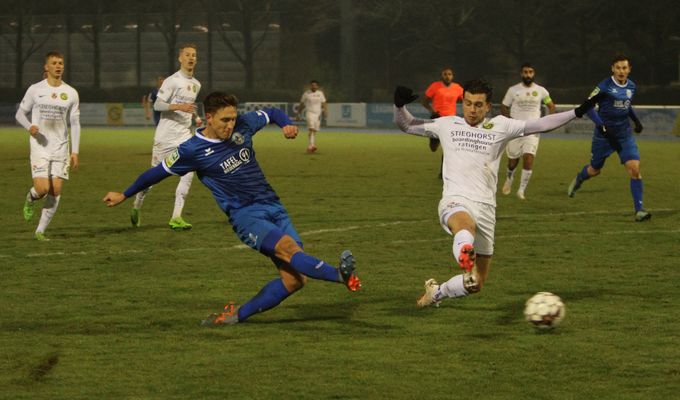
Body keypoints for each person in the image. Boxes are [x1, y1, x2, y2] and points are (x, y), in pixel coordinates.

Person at [103, 91, 361, 324]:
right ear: (209, 117)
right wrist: (124, 195)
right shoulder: (192, 150)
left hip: (273, 205)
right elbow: (157, 173)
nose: (230, 125)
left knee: (295, 280)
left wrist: (286, 124)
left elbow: (271, 113)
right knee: (288, 249)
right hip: (246, 215)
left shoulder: (243, 125)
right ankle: (340, 275)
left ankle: (237, 316)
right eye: (225, 120)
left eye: (233, 119)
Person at [393, 80, 602, 308]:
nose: (472, 109)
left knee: (475, 283)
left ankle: (437, 292)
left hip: (486, 209)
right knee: (465, 227)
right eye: (469, 103)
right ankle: (464, 252)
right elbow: (408, 124)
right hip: (455, 200)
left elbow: (542, 123)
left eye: (478, 105)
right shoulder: (447, 124)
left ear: (487, 106)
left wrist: (578, 111)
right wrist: (399, 105)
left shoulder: (502, 125)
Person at [567, 54, 651, 222]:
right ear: (612, 69)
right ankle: (580, 178)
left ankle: (639, 210)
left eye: (624, 68)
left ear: (629, 69)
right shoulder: (604, 86)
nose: (621, 71)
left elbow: (627, 105)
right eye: (618, 67)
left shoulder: (632, 86)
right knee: (595, 170)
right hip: (604, 137)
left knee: (634, 168)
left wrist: (636, 121)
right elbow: (588, 107)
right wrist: (602, 126)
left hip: (624, 135)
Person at [131, 44, 202, 230]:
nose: (191, 58)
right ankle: (137, 204)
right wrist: (178, 107)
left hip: (185, 136)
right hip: (165, 137)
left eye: (194, 55)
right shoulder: (172, 80)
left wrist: (196, 116)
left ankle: (176, 217)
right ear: (180, 58)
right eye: (187, 55)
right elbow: (158, 106)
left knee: (189, 173)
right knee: (153, 177)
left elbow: (189, 107)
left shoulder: (196, 84)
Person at [16, 51, 81, 241]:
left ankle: (40, 231)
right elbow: (20, 114)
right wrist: (30, 127)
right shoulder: (35, 89)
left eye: (61, 63)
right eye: (54, 63)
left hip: (61, 147)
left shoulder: (70, 93)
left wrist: (75, 151)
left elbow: (75, 123)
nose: (58, 66)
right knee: (42, 189)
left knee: (56, 191)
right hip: (40, 147)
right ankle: (30, 198)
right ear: (46, 67)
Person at [500, 63, 556, 199]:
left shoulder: (541, 90)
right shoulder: (513, 90)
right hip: (516, 129)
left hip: (532, 130)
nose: (528, 75)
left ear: (534, 73)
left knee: (529, 158)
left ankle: (521, 190)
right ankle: (509, 177)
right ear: (521, 74)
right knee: (512, 161)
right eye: (525, 72)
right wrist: (509, 121)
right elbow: (504, 106)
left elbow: (551, 106)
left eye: (530, 72)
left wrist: (546, 122)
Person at [421, 67, 464, 178]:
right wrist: (432, 111)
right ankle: (434, 141)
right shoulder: (435, 86)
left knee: (448, 147)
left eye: (449, 74)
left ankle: (443, 172)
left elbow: (466, 100)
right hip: (437, 119)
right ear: (442, 76)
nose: (447, 76)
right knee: (434, 148)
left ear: (452, 76)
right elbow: (424, 101)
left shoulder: (457, 88)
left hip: (450, 121)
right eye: (445, 74)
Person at [296, 80, 327, 153]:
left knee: (315, 130)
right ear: (310, 86)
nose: (314, 86)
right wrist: (298, 113)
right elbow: (302, 104)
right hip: (310, 113)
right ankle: (311, 145)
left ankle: (312, 145)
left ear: (317, 86)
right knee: (311, 129)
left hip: (318, 114)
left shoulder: (320, 93)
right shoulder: (306, 94)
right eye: (312, 85)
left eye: (315, 85)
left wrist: (325, 110)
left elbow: (324, 102)